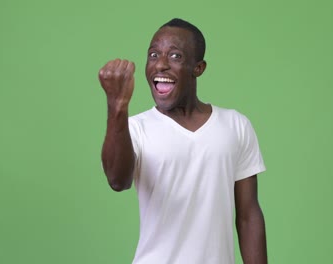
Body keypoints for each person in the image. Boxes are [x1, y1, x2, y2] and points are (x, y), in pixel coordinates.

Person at [99, 18, 267, 264]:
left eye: (175, 56)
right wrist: (117, 107)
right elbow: (117, 180)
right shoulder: (134, 128)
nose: (161, 65)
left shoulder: (235, 125)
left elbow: (248, 215)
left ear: (198, 68)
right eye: (153, 55)